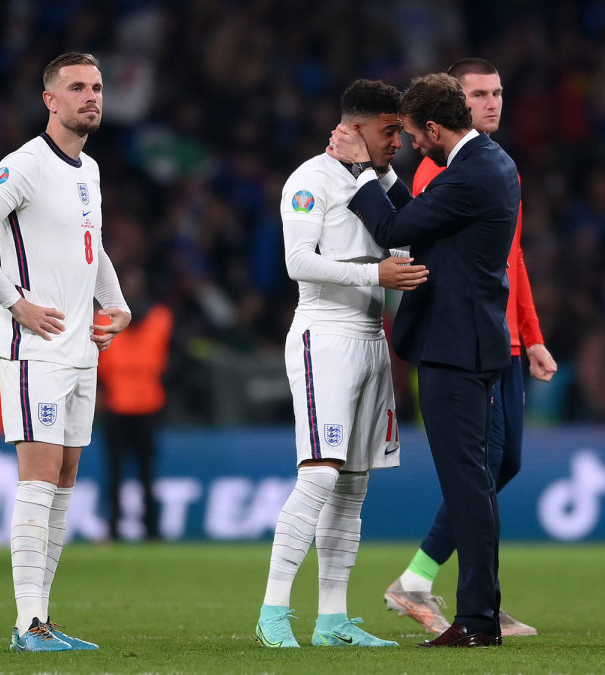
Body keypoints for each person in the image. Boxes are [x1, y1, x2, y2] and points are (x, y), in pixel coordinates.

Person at [329, 72, 520, 647]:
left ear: (434, 128)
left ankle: (477, 621)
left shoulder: (471, 174)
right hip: (471, 341)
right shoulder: (485, 164)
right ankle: (482, 614)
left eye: (413, 134)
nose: (410, 143)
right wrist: (383, 173)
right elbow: (423, 216)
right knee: (475, 483)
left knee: (467, 486)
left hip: (454, 347)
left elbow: (392, 228)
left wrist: (360, 167)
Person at [0, 51, 131, 653]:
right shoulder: (23, 165)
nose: (92, 97)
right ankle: (28, 624)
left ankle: (43, 619)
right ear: (49, 100)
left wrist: (118, 303)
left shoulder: (90, 170)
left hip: (81, 349)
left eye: (98, 87)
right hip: (34, 349)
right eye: (78, 87)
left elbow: (91, 244)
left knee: (65, 477)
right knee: (39, 478)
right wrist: (14, 303)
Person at [380, 58, 557, 639]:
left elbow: (508, 256)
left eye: (497, 92)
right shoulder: (456, 167)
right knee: (483, 471)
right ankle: (438, 583)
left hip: (469, 339)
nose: (491, 103)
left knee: (484, 471)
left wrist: (530, 335)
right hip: (484, 336)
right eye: (479, 94)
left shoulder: (467, 169)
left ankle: (469, 603)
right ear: (457, 102)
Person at [254, 79, 428, 650]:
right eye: (388, 132)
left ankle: (333, 619)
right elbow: (298, 261)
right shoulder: (310, 179)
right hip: (322, 335)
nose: (398, 141)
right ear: (353, 130)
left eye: (399, 131)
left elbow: (411, 233)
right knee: (320, 473)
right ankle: (273, 610)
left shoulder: (377, 182)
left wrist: (382, 190)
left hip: (371, 339)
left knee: (353, 486)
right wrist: (374, 274)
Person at [96, 266, 172, 541]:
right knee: (126, 474)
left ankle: (140, 529)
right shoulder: (160, 318)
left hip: (140, 404)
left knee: (142, 474)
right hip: (122, 404)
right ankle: (136, 529)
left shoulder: (159, 319)